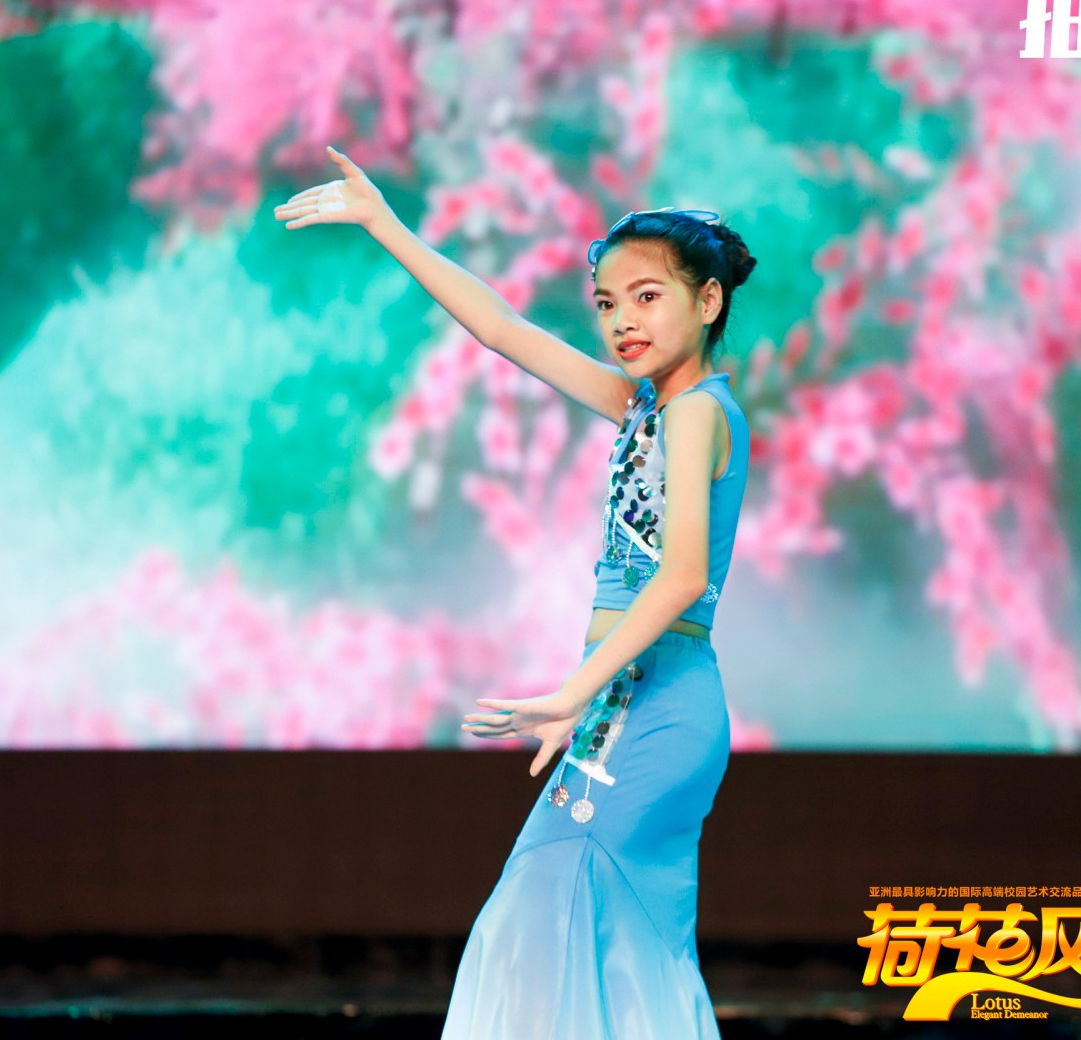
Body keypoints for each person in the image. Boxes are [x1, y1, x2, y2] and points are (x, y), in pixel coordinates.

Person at [275, 146, 756, 1039]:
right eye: (607, 303)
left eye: (646, 297)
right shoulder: (645, 408)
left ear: (708, 301)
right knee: (565, 918)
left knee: (562, 909)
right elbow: (501, 328)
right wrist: (386, 227)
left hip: (659, 705)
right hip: (623, 700)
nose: (622, 320)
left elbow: (684, 575)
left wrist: (574, 692)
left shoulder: (696, 413)